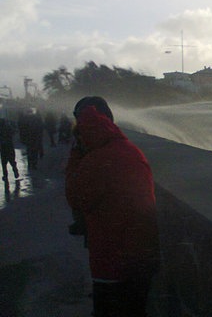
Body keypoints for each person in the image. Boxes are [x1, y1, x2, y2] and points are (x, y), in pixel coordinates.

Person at [65, 96, 160, 317]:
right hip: (142, 254)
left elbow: (76, 197)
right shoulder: (128, 149)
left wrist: (76, 156)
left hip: (112, 260)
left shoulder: (95, 160)